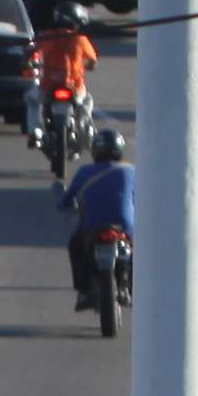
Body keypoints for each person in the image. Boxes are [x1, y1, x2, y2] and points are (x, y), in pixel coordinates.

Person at [60, 124, 135, 307]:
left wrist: (64, 204)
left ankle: (84, 289)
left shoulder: (84, 171)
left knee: (75, 246)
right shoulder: (131, 171)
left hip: (91, 225)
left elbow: (67, 199)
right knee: (139, 250)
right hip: (125, 226)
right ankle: (132, 287)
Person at [26, 9, 95, 145]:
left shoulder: (46, 37)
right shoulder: (80, 39)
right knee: (87, 101)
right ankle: (82, 126)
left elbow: (30, 53)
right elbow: (92, 59)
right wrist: (88, 66)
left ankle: (35, 130)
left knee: (32, 100)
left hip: (47, 86)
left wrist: (27, 63)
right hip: (74, 87)